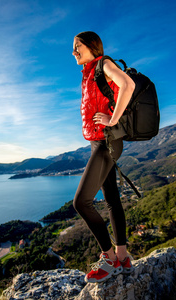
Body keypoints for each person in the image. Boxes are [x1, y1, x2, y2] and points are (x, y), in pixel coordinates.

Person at [72, 31, 136, 283]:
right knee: (112, 200)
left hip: (106, 142)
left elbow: (127, 85)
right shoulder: (88, 74)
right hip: (98, 142)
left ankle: (109, 260)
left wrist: (114, 119)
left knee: (81, 202)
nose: (74, 52)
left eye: (77, 46)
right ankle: (122, 257)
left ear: (91, 46)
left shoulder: (103, 64)